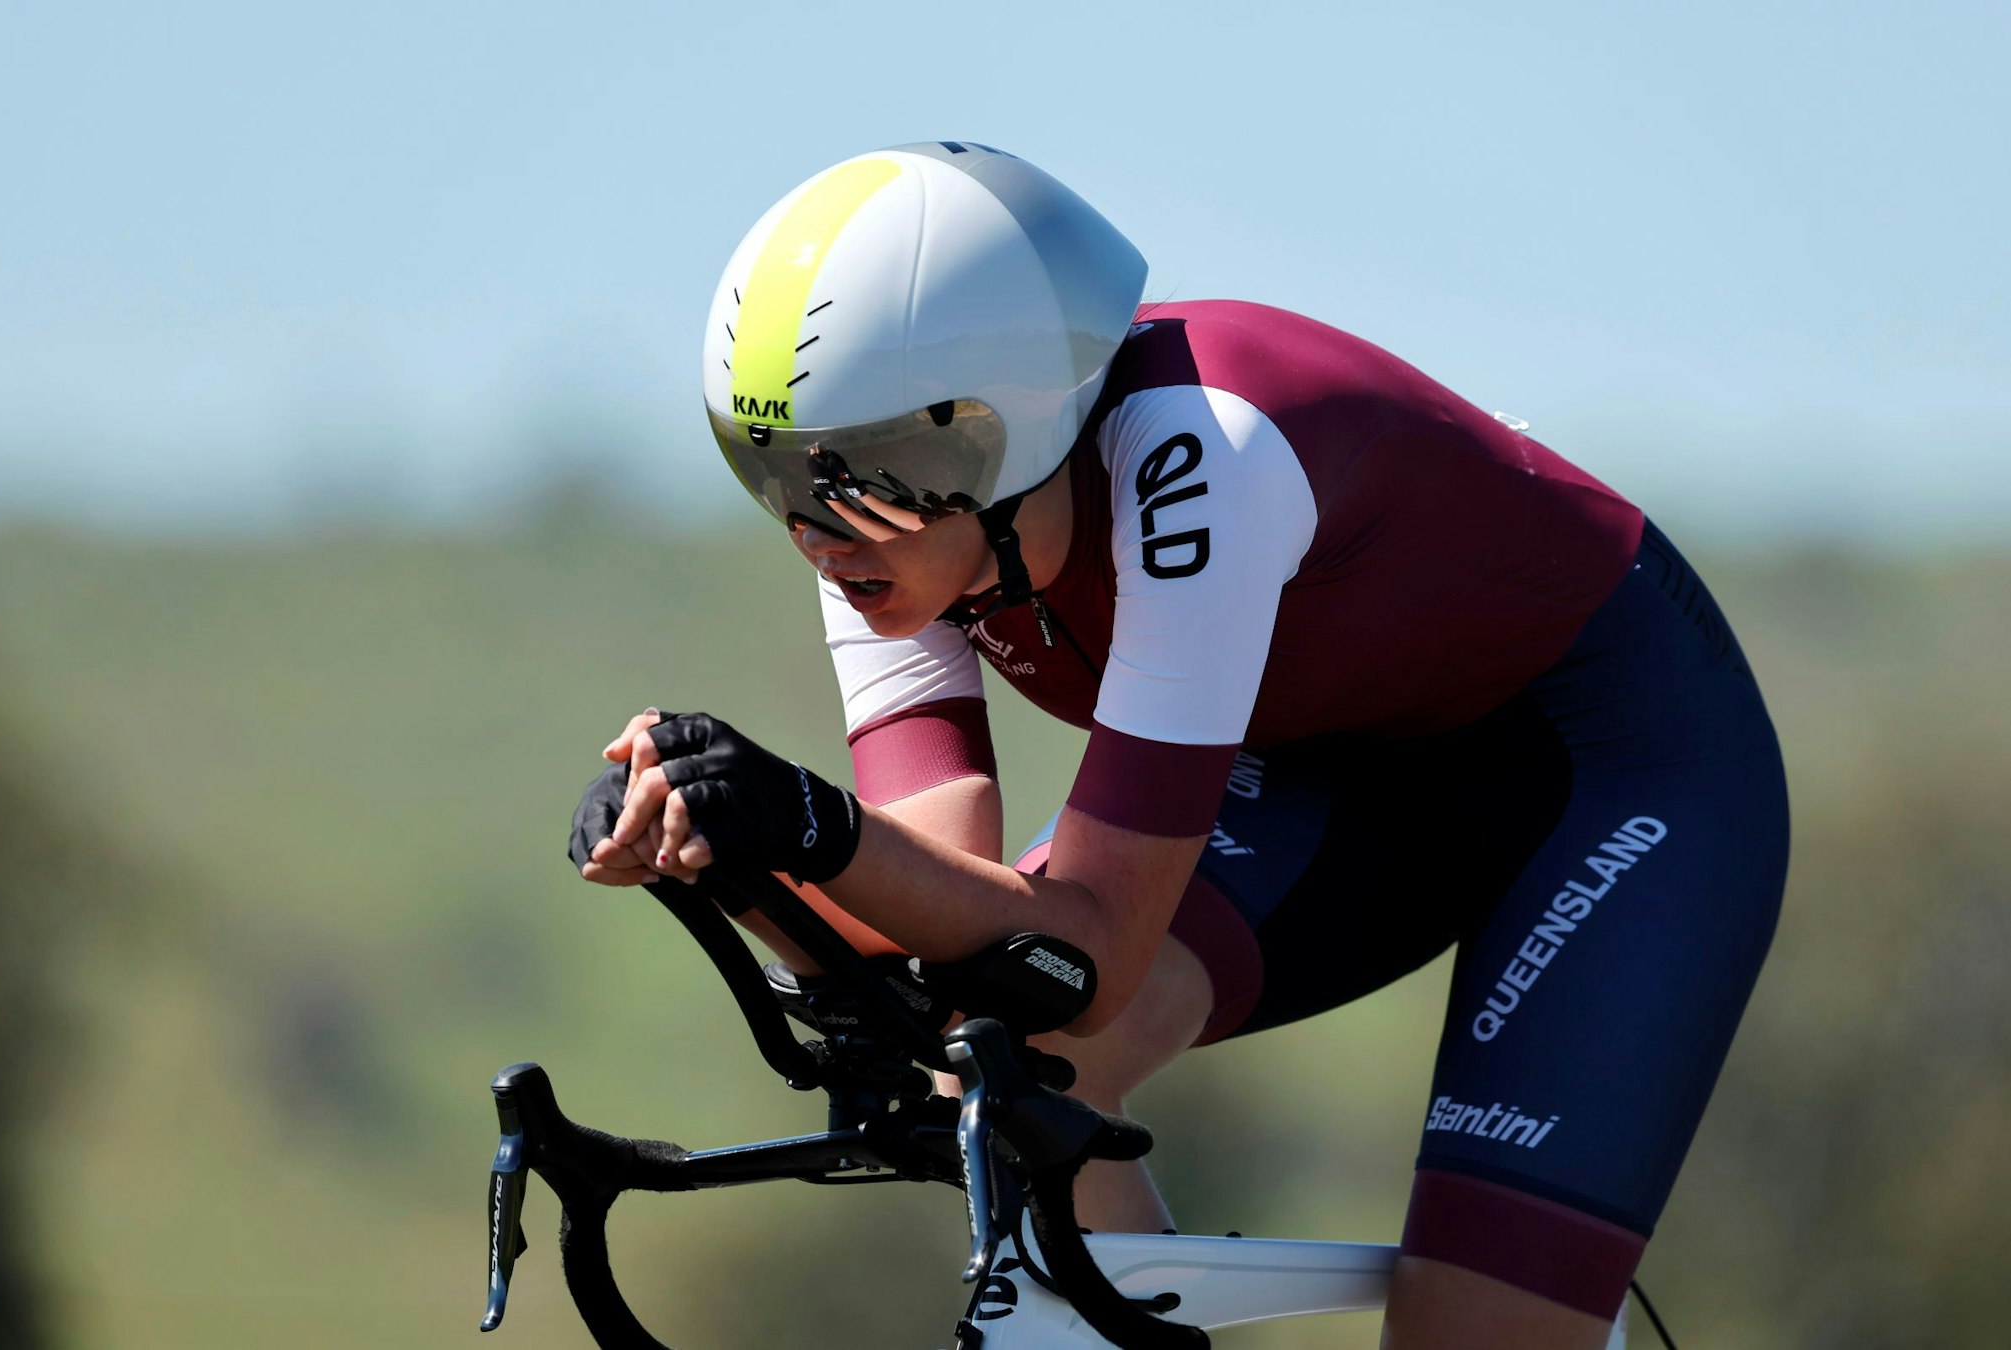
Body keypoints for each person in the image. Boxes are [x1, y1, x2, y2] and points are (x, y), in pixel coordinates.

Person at [576, 142, 1788, 1349]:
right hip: (1343, 765)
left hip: (1617, 765)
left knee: (1471, 1330)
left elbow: (1087, 952)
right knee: (1003, 1051)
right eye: (768, 470)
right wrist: (713, 845)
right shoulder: (894, 527)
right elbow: (927, 907)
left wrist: (802, 819)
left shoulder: (1195, 453)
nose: (816, 529)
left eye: (858, 475)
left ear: (999, 436)